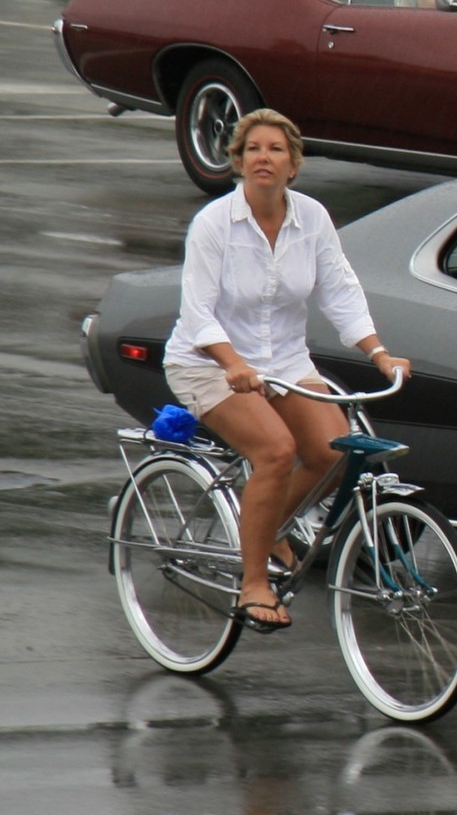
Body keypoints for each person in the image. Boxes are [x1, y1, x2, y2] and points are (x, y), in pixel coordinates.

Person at [163, 110, 410, 631]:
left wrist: (380, 354)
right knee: (275, 451)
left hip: (285, 362)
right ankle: (254, 583)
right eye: (252, 149)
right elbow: (197, 313)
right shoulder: (214, 224)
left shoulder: (313, 219)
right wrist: (232, 364)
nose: (263, 158)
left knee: (333, 454)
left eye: (276, 149)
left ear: (293, 165)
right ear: (238, 161)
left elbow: (340, 292)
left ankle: (269, 525)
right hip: (208, 362)